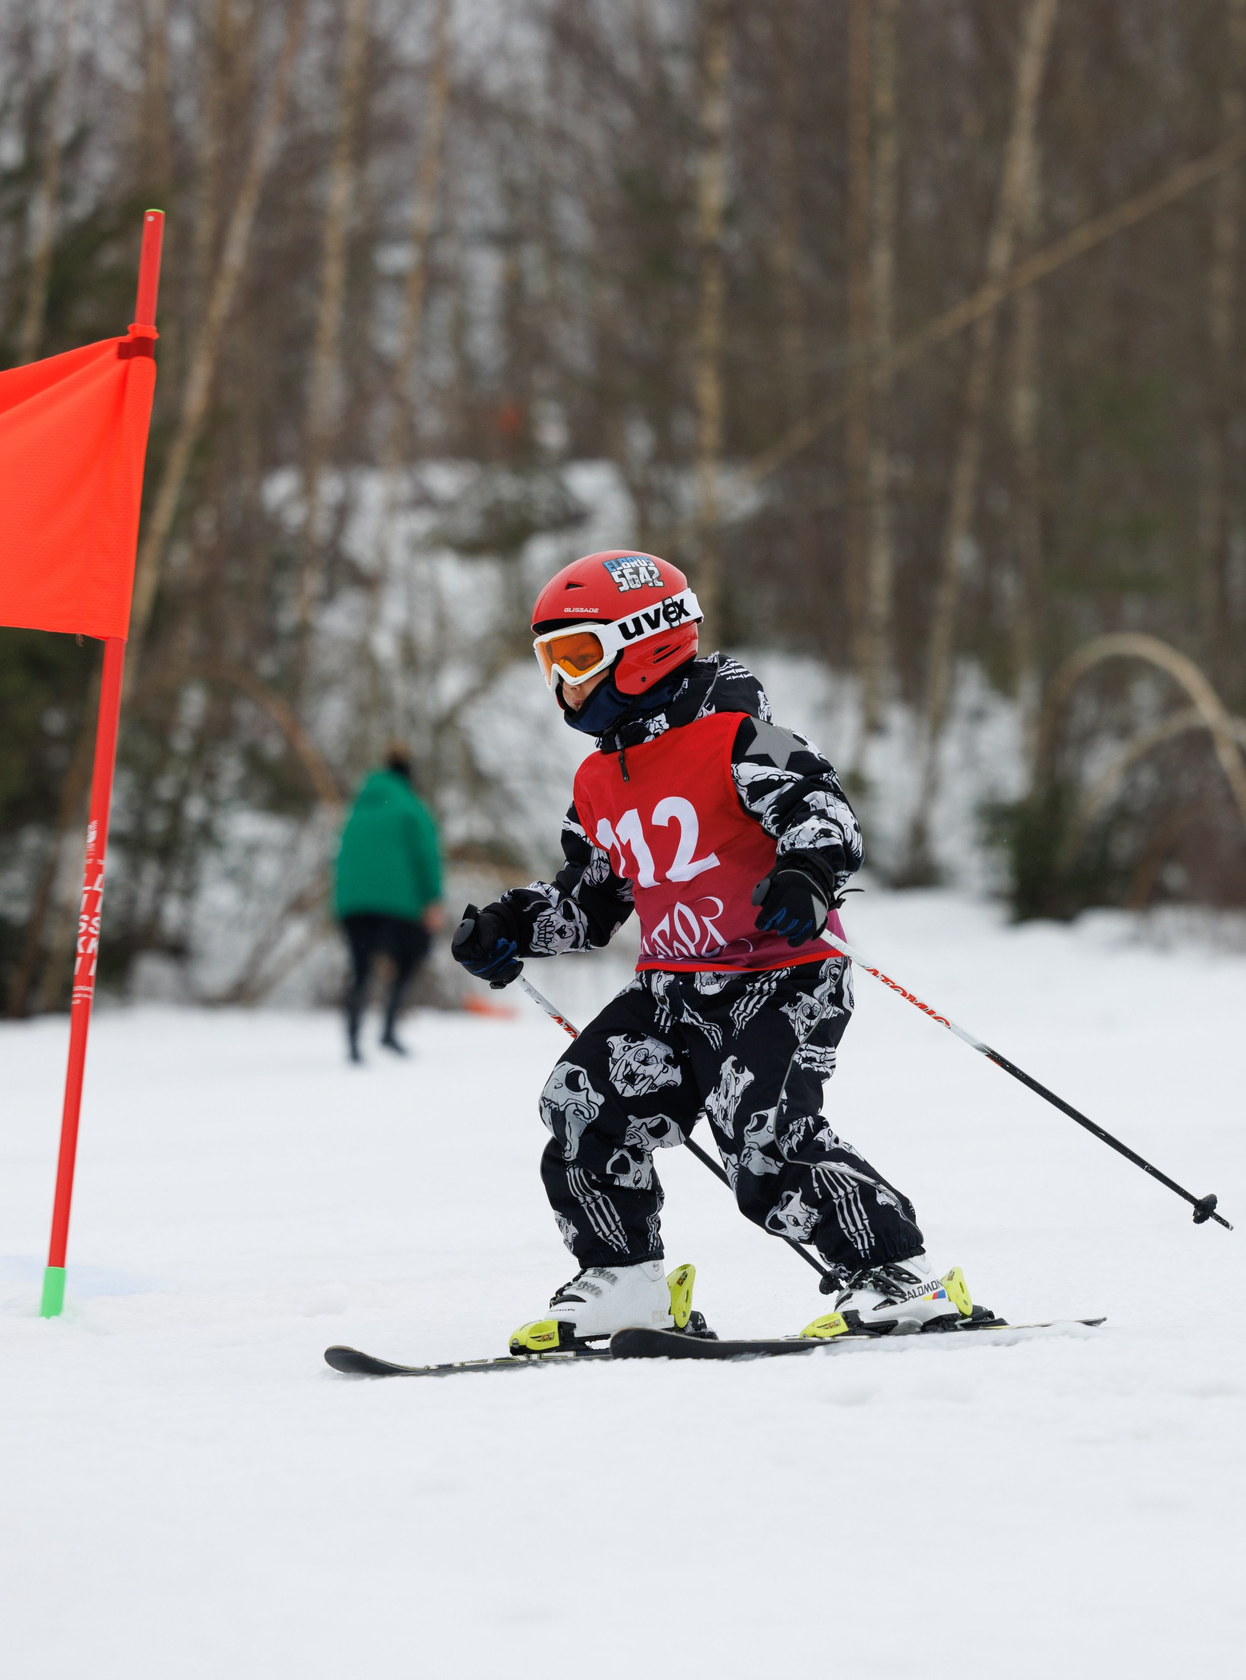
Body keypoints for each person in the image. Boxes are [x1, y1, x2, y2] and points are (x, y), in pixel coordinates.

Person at [451, 548, 983, 1352]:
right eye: (552, 661)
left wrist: (806, 875)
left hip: (784, 977)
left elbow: (824, 814)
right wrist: (514, 928)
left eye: (579, 656)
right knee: (580, 1103)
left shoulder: (738, 738)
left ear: (648, 644)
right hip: (673, 989)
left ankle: (895, 1278)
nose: (565, 681)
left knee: (760, 1132)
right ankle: (626, 1281)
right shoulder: (599, 781)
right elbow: (593, 902)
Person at [332, 743, 443, 1063]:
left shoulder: (357, 809)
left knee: (360, 970)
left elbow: (341, 859)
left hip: (354, 905)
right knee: (409, 959)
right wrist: (432, 899)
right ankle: (388, 1031)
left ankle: (353, 1041)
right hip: (399, 906)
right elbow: (426, 856)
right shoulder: (411, 807)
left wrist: (341, 903)